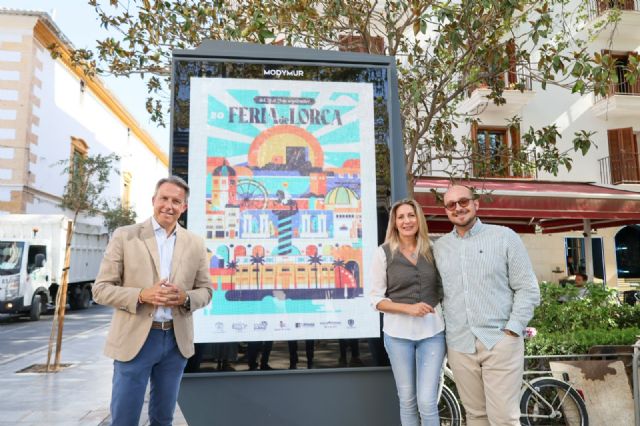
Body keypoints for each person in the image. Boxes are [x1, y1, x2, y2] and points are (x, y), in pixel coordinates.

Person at [93, 176, 213, 426]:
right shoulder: (125, 236)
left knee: (163, 418)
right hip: (135, 340)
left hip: (175, 342)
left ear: (184, 207)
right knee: (124, 419)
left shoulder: (195, 243)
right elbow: (101, 290)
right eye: (164, 198)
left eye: (176, 201)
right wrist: (141, 295)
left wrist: (185, 297)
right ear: (153, 200)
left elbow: (206, 291)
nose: (169, 205)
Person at [434, 184, 540, 426]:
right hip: (460, 345)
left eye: (463, 201)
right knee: (476, 418)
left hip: (499, 341)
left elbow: (527, 287)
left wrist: (513, 329)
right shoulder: (439, 248)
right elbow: (438, 293)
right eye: (451, 205)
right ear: (446, 211)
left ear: (476, 204)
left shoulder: (504, 237)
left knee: (503, 419)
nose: (458, 208)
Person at [369, 198, 445, 426]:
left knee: (427, 402)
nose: (406, 221)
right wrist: (408, 308)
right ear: (394, 222)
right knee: (408, 401)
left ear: (418, 219)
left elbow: (444, 287)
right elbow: (375, 299)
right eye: (400, 217)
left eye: (411, 215)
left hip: (432, 334)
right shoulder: (383, 253)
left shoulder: (433, 250)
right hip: (397, 336)